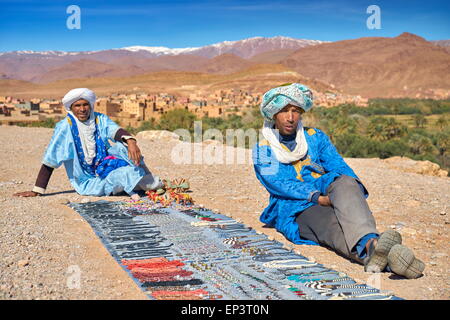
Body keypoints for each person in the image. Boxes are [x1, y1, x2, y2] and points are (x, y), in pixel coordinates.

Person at [252, 83, 425, 279]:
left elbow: (337, 165)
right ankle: (378, 253)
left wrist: (348, 190)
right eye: (284, 111)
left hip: (325, 188)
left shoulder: (315, 137)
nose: (290, 117)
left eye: (295, 111)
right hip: (293, 205)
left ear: (301, 113)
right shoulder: (263, 149)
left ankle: (373, 246)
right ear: (274, 114)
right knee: (329, 223)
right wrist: (318, 198)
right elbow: (278, 183)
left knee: (346, 181)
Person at [14, 88, 163, 201]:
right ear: (71, 108)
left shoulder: (99, 119)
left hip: (107, 164)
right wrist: (37, 190)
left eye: (85, 104)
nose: (82, 109)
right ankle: (148, 184)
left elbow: (114, 130)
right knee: (127, 174)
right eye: (77, 105)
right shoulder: (65, 127)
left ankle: (146, 181)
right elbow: (51, 159)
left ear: (90, 105)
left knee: (123, 147)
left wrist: (131, 141)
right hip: (89, 180)